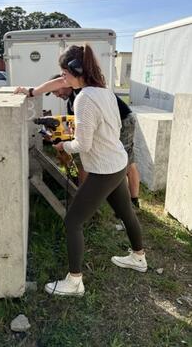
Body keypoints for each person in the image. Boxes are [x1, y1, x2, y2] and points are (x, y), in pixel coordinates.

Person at [15, 44, 147, 297]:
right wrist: (31, 91)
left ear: (76, 71)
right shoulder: (103, 90)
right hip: (118, 162)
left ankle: (75, 282)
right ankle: (139, 257)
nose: (61, 79)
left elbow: (82, 145)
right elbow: (101, 128)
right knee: (126, 212)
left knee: (73, 221)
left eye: (64, 74)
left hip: (104, 169)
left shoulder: (84, 99)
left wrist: (61, 143)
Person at [47, 77, 140, 207]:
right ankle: (94, 196)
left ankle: (133, 200)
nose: (56, 95)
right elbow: (75, 128)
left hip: (123, 119)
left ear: (65, 83)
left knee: (127, 161)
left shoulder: (82, 91)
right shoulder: (71, 103)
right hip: (106, 124)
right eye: (53, 94)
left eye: (56, 91)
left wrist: (68, 145)